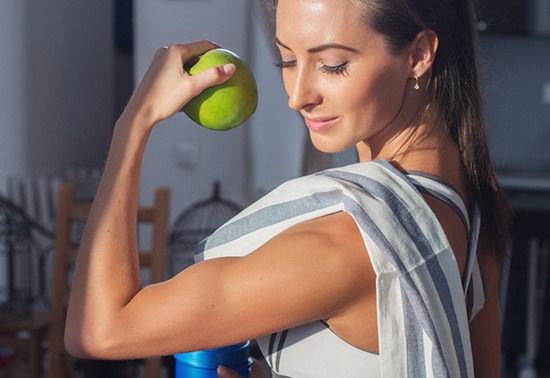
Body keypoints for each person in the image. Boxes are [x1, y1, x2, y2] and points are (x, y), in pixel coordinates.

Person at [65, 0, 511, 377]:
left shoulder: (349, 242)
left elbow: (99, 329)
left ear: (417, 54)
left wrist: (134, 123)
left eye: (332, 65)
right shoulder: (465, 202)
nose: (298, 96)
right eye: (288, 60)